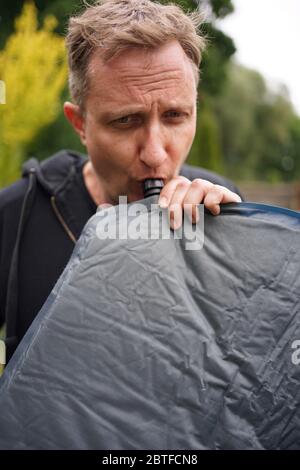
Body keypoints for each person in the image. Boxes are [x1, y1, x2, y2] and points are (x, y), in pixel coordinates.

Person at [0, 0, 242, 363]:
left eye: (175, 116)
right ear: (80, 123)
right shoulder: (14, 216)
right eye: (126, 121)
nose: (156, 154)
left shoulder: (219, 209)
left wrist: (241, 249)